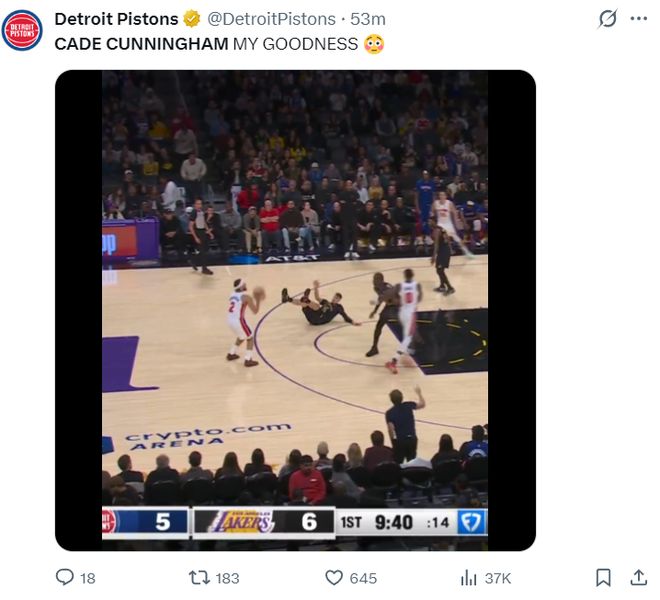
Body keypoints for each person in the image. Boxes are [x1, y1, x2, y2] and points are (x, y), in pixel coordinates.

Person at [386, 269, 423, 374]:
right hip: (410, 314)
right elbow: (419, 298)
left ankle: (407, 349)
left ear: (404, 276)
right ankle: (394, 361)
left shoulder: (400, 285)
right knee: (408, 337)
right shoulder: (417, 285)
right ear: (413, 275)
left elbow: (391, 296)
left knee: (407, 334)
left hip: (402, 313)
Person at [281, 279, 361, 327]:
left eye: (337, 298)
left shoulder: (339, 307)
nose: (334, 299)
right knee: (304, 304)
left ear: (339, 300)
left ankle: (306, 299)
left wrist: (353, 322)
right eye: (334, 297)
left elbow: (345, 316)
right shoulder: (326, 302)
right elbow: (317, 297)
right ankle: (288, 299)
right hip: (312, 318)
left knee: (315, 305)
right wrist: (316, 287)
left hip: (320, 320)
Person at [226, 278, 263, 367]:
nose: (246, 285)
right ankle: (248, 359)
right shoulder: (246, 297)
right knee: (250, 337)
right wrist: (258, 299)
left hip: (229, 320)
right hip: (239, 321)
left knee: (241, 336)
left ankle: (231, 354)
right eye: (244, 284)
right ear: (241, 286)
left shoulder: (232, 294)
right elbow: (255, 311)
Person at [385, 386, 426, 463]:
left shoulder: (389, 413)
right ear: (402, 397)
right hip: (412, 439)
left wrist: (393, 442)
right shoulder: (408, 405)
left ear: (391, 400)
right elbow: (422, 404)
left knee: (398, 463)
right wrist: (419, 393)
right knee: (412, 462)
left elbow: (391, 429)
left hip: (400, 441)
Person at [365, 272, 398, 357]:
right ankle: (374, 348)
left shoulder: (387, 288)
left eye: (375, 280)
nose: (373, 281)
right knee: (379, 326)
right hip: (390, 306)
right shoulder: (376, 288)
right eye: (373, 279)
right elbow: (381, 299)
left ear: (381, 280)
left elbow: (388, 299)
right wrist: (374, 311)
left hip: (398, 306)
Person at [433, 191, 474, 257]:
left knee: (456, 238)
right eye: (440, 195)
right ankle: (436, 254)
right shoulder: (435, 203)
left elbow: (454, 213)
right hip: (440, 223)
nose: (442, 196)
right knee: (438, 239)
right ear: (438, 196)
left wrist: (456, 223)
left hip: (448, 223)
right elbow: (432, 213)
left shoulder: (449, 203)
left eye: (443, 195)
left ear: (446, 196)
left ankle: (466, 252)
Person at [188, 198, 213, 275]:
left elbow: (204, 222)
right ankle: (204, 268)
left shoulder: (201, 212)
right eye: (198, 204)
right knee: (202, 251)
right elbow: (190, 226)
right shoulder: (194, 213)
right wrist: (195, 237)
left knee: (205, 250)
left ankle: (193, 260)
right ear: (195, 205)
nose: (199, 205)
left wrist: (209, 232)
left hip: (203, 232)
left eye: (200, 204)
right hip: (198, 232)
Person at [415, 169, 436, 244]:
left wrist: (433, 207)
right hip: (421, 205)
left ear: (428, 175)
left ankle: (428, 237)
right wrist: (417, 208)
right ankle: (419, 238)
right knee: (421, 222)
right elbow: (416, 196)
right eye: (424, 174)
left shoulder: (432, 183)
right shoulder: (419, 183)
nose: (425, 175)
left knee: (428, 222)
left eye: (426, 174)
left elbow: (433, 196)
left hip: (429, 206)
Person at [431, 226, 455, 295]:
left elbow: (436, 245)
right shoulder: (442, 229)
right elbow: (448, 239)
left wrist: (433, 257)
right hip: (443, 251)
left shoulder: (437, 230)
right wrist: (451, 249)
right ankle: (442, 286)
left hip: (443, 252)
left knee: (440, 270)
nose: (429, 222)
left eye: (430, 221)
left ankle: (450, 288)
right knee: (439, 270)